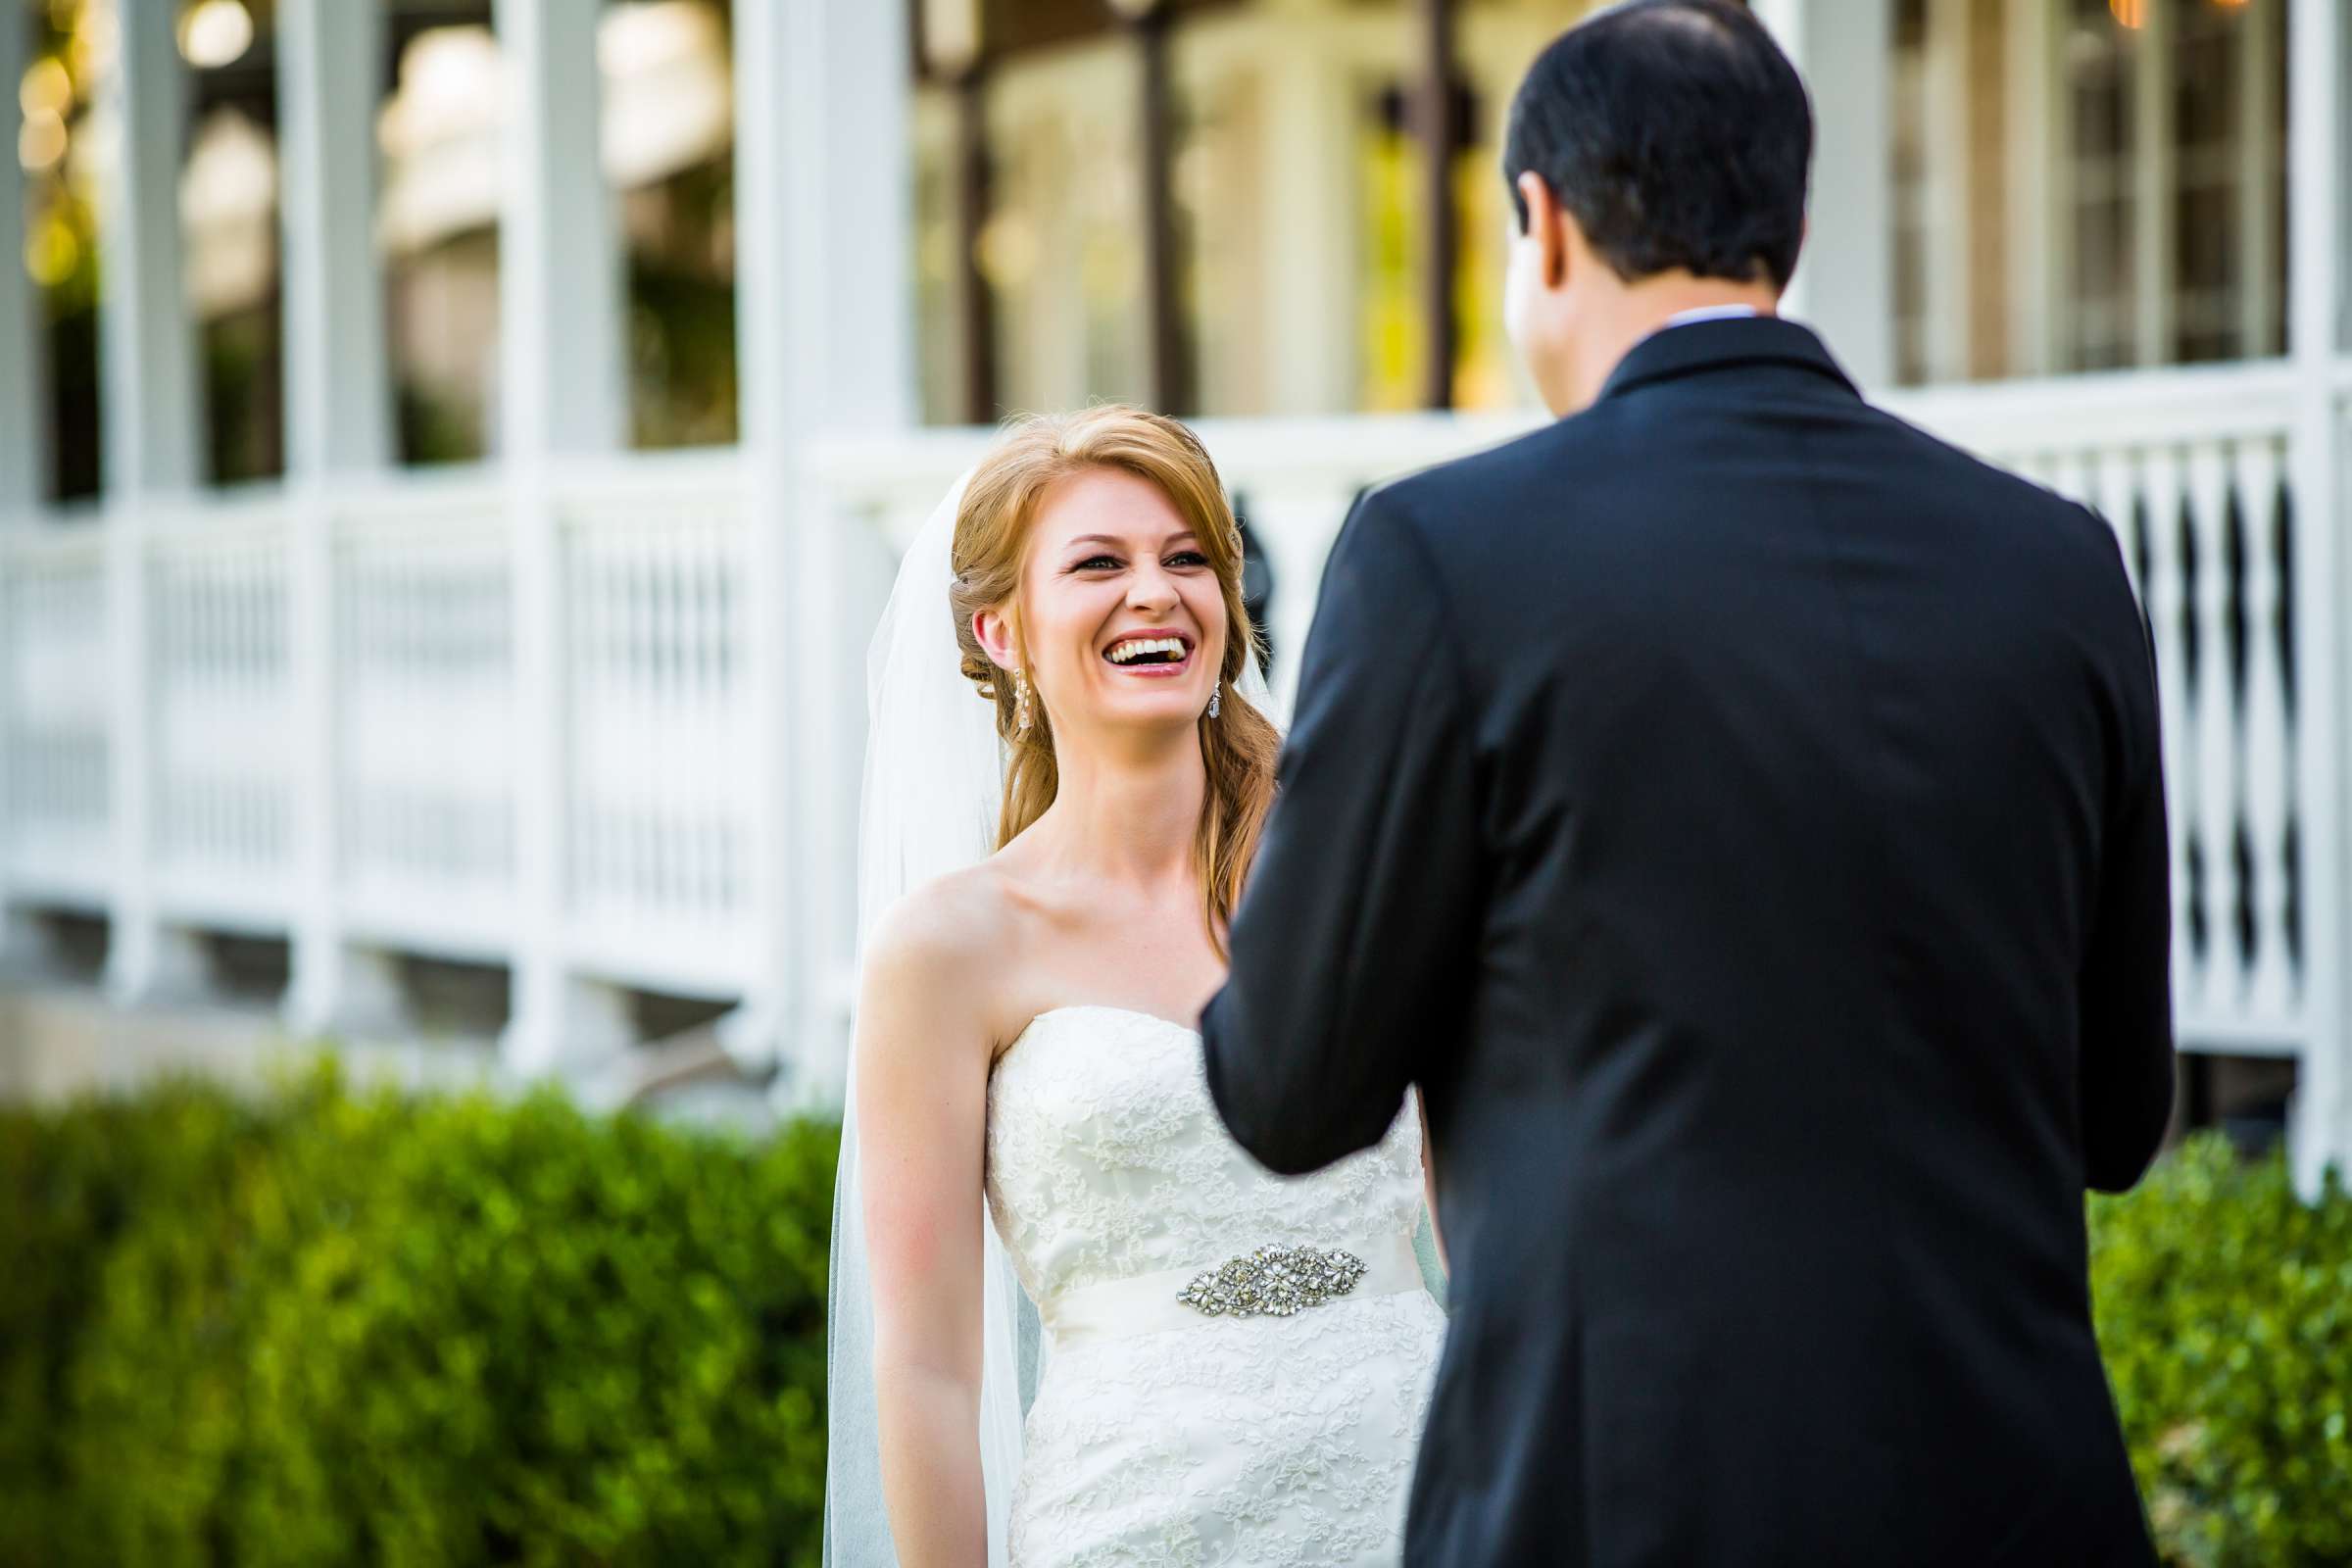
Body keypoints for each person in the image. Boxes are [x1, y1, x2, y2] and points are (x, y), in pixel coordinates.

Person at [1199, 2, 2175, 1564]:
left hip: (1618, 1503)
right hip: (2016, 1500)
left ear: (1545, 223)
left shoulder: (1447, 557)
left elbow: (1289, 1089)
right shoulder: (2059, 568)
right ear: (1787, 227)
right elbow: (2118, 1118)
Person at [825, 406, 1446, 1567]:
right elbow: (927, 1368)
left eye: (1188, 559)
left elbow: (1487, 1216)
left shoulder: (1361, 871)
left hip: (1412, 1490)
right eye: (1100, 563)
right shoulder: (948, 951)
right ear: (1001, 632)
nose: (1155, 591)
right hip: (1133, 1520)